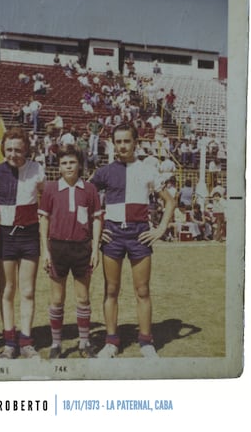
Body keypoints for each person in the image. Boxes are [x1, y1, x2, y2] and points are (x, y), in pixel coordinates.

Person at [90, 123, 176, 358]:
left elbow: (170, 202)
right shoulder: (104, 171)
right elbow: (84, 198)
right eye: (118, 142)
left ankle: (146, 342)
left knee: (143, 290)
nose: (122, 146)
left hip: (139, 234)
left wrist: (159, 230)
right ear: (113, 144)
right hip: (113, 234)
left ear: (135, 142)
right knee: (111, 289)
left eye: (127, 141)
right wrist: (94, 230)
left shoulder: (147, 170)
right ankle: (111, 342)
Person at [0, 127, 46, 359]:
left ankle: (27, 343)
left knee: (28, 291)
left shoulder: (37, 170)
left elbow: (42, 198)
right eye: (9, 149)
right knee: (7, 291)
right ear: (3, 149)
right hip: (4, 236)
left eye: (18, 150)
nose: (13, 154)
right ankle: (10, 343)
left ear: (26, 150)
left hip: (29, 235)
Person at [39, 144, 102, 359]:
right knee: (57, 299)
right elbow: (44, 219)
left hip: (82, 247)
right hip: (57, 247)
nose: (68, 167)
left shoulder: (90, 189)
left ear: (79, 164)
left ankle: (85, 343)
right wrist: (45, 251)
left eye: (72, 162)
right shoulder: (50, 189)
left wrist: (95, 249)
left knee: (83, 297)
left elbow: (96, 219)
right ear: (58, 167)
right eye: (64, 163)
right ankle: (56, 344)